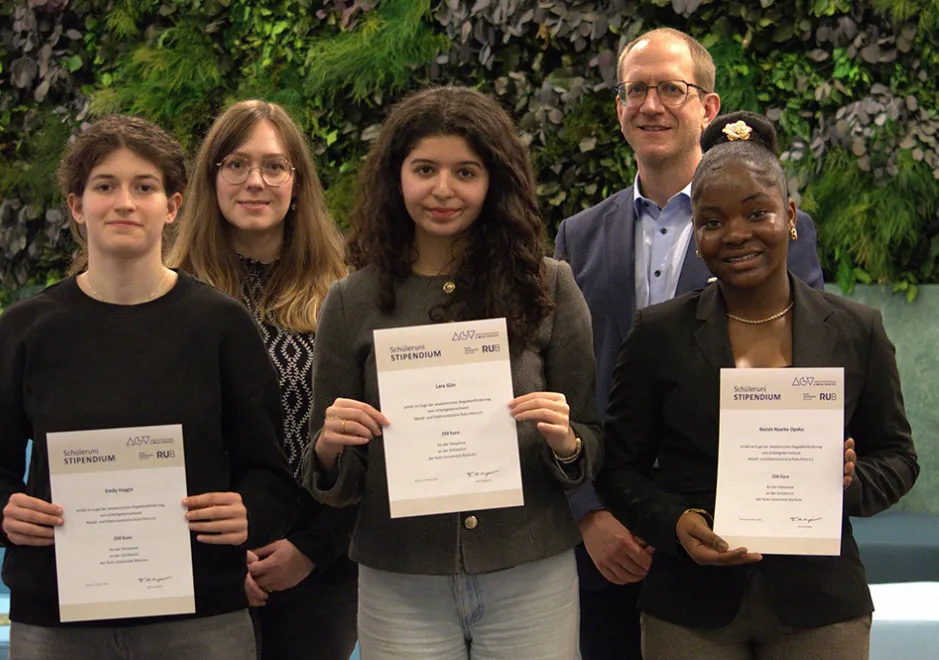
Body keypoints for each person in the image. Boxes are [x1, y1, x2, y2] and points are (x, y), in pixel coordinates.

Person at [0, 115, 300, 660]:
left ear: (171, 206)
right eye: (104, 186)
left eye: (144, 187)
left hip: (201, 620)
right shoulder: (26, 330)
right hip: (57, 625)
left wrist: (249, 512)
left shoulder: (222, 325)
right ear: (76, 206)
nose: (124, 202)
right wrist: (1, 511)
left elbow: (270, 474)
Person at [595, 111, 919, 659]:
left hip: (820, 606)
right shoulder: (658, 334)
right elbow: (618, 466)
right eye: (713, 221)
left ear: (789, 216)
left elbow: (898, 458)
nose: (736, 234)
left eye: (757, 213)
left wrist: (849, 480)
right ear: (696, 235)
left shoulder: (855, 329)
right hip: (690, 608)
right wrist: (675, 524)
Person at [302, 85, 601, 660]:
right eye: (424, 169)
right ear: (397, 177)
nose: (443, 189)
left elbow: (591, 441)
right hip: (400, 576)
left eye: (466, 171)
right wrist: (330, 449)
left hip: (529, 568)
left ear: (495, 183)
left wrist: (566, 442)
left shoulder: (549, 287)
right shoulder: (350, 301)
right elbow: (332, 477)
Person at [553, 28, 824, 659]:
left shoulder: (779, 231)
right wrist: (590, 512)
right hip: (607, 545)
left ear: (707, 108)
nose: (650, 105)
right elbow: (562, 385)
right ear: (618, 106)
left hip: (726, 537)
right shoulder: (577, 236)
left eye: (671, 89)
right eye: (634, 90)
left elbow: (790, 377)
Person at [168, 99, 357, 660]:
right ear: (210, 179)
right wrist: (218, 562)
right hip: (194, 567)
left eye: (274, 166)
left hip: (317, 569)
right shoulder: (166, 297)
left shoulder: (344, 297)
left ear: (297, 184)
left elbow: (367, 441)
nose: (256, 181)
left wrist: (309, 548)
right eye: (236, 164)